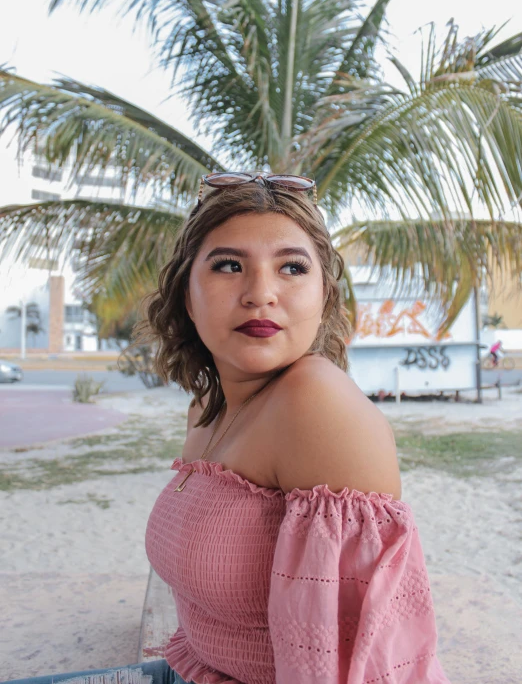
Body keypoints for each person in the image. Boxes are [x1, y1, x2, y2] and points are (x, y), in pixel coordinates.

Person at [7, 172, 452, 684]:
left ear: (324, 297)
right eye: (228, 265)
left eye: (291, 267)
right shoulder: (206, 409)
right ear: (187, 296)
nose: (260, 293)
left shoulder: (316, 401)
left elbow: (361, 663)